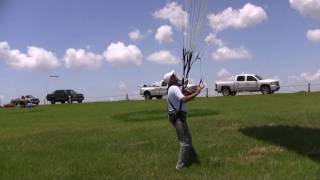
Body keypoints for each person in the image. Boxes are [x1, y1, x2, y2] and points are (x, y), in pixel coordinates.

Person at [163, 70, 204, 170]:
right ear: (171, 79)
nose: (176, 75)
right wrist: (197, 92)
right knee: (185, 141)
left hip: (177, 116)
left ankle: (193, 156)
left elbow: (183, 96)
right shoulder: (174, 88)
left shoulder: (173, 88)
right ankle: (180, 166)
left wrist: (190, 90)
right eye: (174, 75)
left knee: (187, 138)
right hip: (178, 117)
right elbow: (184, 99)